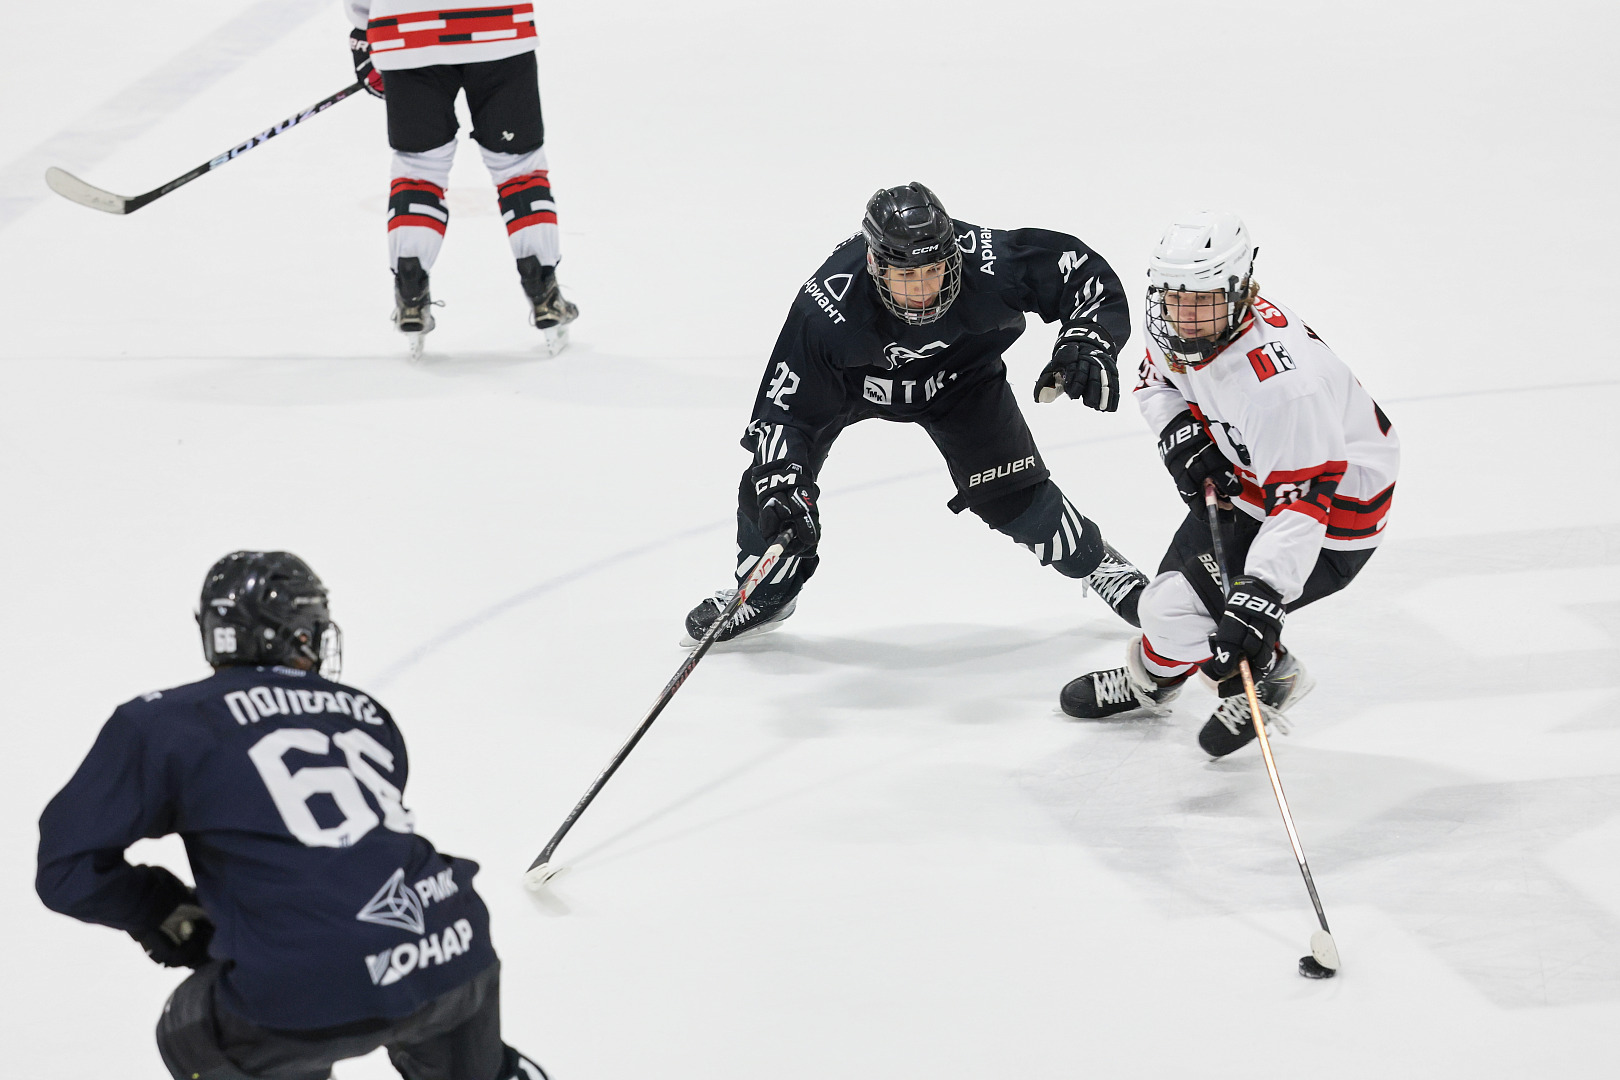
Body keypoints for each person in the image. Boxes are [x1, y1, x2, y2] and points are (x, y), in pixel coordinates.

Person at [36, 552, 548, 1080]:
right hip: (453, 945)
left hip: (305, 983)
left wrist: (161, 910)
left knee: (192, 1031)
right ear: (297, 634)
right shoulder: (366, 712)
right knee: (437, 1026)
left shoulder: (162, 721)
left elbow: (66, 869)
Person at [683, 182, 1149, 645]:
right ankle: (765, 593)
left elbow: (1080, 273)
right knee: (773, 490)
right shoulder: (826, 310)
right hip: (849, 385)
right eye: (906, 277)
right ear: (874, 265)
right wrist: (785, 487)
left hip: (961, 379)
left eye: (934, 271)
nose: (924, 290)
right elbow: (784, 415)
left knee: (1012, 495)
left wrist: (1088, 338)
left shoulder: (988, 261)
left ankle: (1098, 564)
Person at [1058, 212, 1400, 757]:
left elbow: (1303, 503)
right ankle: (1155, 680)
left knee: (1183, 612)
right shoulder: (1177, 321)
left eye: (1202, 300)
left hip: (1334, 514)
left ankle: (1273, 670)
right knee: (1165, 607)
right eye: (1174, 298)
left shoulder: (1280, 388)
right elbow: (1155, 382)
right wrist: (1181, 433)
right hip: (1253, 479)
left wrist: (1261, 594)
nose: (1185, 315)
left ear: (1240, 289)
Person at [347, 2, 578, 358]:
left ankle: (411, 292)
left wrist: (364, 31)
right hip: (496, 25)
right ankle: (543, 290)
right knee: (519, 167)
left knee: (419, 168)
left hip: (404, 29)